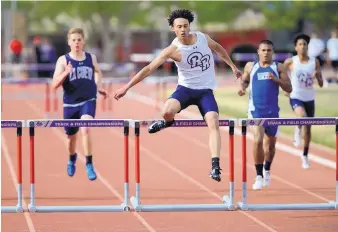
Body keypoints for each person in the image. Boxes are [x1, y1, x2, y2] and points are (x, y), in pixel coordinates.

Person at [114, 9, 242, 182]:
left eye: (186, 26)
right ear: (173, 29)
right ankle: (167, 121)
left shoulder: (203, 38)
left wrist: (233, 66)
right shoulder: (172, 50)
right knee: (166, 111)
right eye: (179, 27)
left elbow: (219, 49)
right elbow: (149, 69)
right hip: (185, 90)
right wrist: (127, 87)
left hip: (205, 91)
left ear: (190, 26)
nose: (183, 29)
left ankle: (215, 166)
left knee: (213, 121)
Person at [52, 28, 108, 181]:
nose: (77, 42)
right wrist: (66, 72)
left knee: (85, 127)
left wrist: (99, 86)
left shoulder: (91, 58)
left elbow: (97, 71)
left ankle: (89, 163)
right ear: (69, 42)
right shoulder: (63, 60)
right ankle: (72, 158)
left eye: (79, 39)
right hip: (70, 104)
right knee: (71, 138)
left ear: (83, 41)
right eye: (74, 40)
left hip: (88, 100)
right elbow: (54, 84)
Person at [238, 40, 292, 190]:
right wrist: (242, 88)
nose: (266, 52)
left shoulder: (278, 67)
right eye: (263, 50)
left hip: (273, 112)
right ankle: (259, 175)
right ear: (258, 52)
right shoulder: (251, 66)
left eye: (269, 50)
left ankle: (267, 169)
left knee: (271, 147)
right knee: (257, 140)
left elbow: (289, 87)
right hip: (256, 111)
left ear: (272, 52)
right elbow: (244, 80)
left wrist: (276, 79)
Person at [284, 34, 323, 169]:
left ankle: (305, 155)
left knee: (308, 128)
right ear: (296, 47)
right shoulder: (291, 61)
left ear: (308, 46)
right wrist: (285, 87)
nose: (302, 47)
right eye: (300, 44)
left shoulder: (314, 62)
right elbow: (281, 73)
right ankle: (297, 130)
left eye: (305, 44)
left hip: (309, 98)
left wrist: (318, 76)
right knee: (301, 116)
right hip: (296, 96)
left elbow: (322, 83)